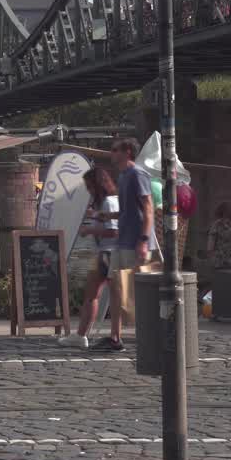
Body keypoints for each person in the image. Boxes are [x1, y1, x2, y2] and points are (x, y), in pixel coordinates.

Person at [97, 138, 159, 353]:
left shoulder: (137, 174)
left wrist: (143, 241)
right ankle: (115, 337)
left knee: (138, 292)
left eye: (115, 150)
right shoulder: (123, 176)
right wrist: (106, 214)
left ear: (128, 152)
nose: (111, 154)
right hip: (121, 241)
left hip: (135, 242)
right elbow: (127, 211)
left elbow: (148, 208)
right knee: (115, 287)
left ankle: (150, 336)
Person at [61, 167, 119, 349]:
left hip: (106, 253)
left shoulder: (108, 203)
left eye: (89, 186)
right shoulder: (112, 201)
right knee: (98, 295)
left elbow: (113, 231)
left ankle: (82, 335)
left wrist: (89, 229)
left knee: (92, 295)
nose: (88, 191)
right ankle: (84, 335)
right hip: (109, 253)